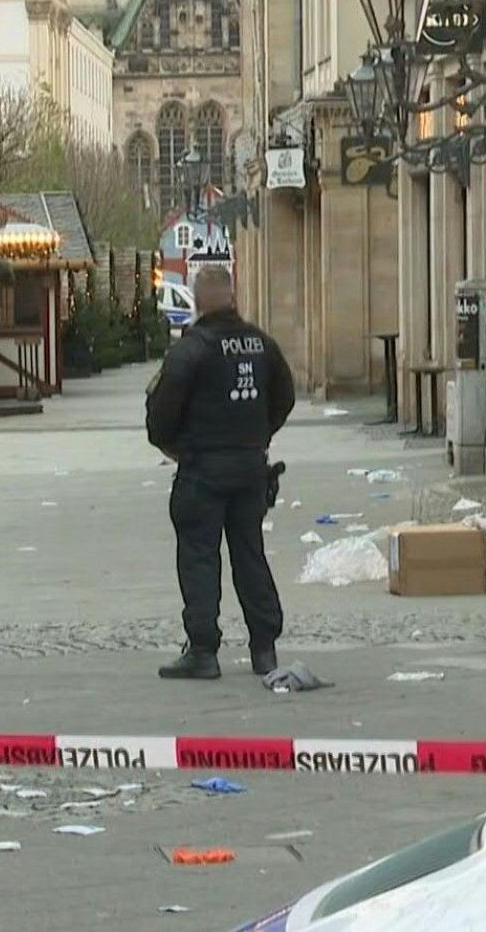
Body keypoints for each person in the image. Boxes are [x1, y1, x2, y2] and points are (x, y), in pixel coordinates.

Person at [145, 263, 296, 680]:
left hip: (202, 470)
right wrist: (259, 435)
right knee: (250, 554)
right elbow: (284, 396)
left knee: (199, 558)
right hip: (249, 467)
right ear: (233, 296)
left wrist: (177, 447)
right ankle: (264, 648)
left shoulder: (190, 350)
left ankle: (203, 650)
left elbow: (159, 415)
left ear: (196, 300)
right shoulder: (261, 345)